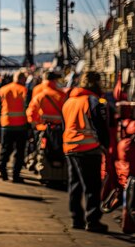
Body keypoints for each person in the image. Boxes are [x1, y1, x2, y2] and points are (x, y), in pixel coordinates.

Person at [62, 71, 109, 233]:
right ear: (96, 83)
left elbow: (65, 124)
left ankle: (76, 219)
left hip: (70, 146)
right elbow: (101, 126)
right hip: (88, 148)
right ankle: (93, 220)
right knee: (92, 187)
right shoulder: (93, 101)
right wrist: (105, 144)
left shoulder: (70, 101)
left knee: (75, 185)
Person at [26, 71, 67, 169]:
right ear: (55, 80)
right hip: (58, 128)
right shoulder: (61, 94)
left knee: (41, 149)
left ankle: (40, 166)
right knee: (57, 150)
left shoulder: (38, 91)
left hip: (42, 128)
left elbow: (31, 111)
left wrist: (34, 123)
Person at [0, 70, 28, 183]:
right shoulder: (24, 90)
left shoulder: (3, 89)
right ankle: (15, 175)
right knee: (19, 151)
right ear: (23, 79)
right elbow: (28, 107)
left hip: (6, 124)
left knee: (6, 149)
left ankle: (2, 169)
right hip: (20, 125)